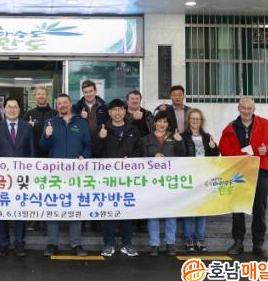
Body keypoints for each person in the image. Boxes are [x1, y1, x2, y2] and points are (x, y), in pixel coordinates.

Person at [220, 97, 268, 259]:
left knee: (259, 208)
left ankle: (258, 244)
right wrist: (241, 155)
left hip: (261, 169)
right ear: (238, 108)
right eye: (243, 108)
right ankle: (238, 242)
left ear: (254, 109)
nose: (246, 111)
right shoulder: (230, 127)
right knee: (238, 207)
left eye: (249, 108)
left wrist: (267, 149)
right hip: (239, 170)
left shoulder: (265, 124)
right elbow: (223, 149)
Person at [40, 93, 92, 257]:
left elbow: (88, 145)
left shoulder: (81, 123)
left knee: (75, 207)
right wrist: (47, 135)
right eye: (59, 103)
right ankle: (52, 243)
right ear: (57, 106)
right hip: (55, 174)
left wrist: (84, 155)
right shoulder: (50, 123)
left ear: (70, 104)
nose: (62, 105)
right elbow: (43, 147)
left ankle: (76, 243)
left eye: (65, 102)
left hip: (76, 174)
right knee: (53, 207)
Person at [0, 97, 36, 257]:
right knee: (3, 211)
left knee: (20, 211)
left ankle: (19, 244)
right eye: (9, 107)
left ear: (19, 110)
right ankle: (3, 244)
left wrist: (33, 173)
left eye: (15, 107)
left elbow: (32, 151)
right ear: (4, 109)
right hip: (3, 177)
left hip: (22, 177)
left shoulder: (27, 127)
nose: (12, 109)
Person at [94, 99, 141, 258]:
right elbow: (95, 152)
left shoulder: (133, 129)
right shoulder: (102, 128)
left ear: (125, 111)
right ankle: (108, 244)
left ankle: (127, 244)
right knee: (108, 211)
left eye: (120, 109)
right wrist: (101, 138)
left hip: (127, 177)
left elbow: (139, 150)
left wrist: (131, 158)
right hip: (107, 178)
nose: (117, 113)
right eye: (114, 110)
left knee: (126, 210)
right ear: (109, 112)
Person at [139, 110, 186, 256]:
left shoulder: (174, 137)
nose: (162, 124)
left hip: (169, 182)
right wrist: (152, 156)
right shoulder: (146, 139)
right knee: (153, 214)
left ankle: (170, 244)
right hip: (151, 182)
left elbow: (183, 156)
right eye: (159, 121)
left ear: (168, 124)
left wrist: (180, 142)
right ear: (154, 123)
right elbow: (140, 158)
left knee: (170, 214)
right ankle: (154, 244)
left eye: (165, 122)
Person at [180, 108, 219, 253]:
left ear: (201, 121)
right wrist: (178, 142)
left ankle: (200, 239)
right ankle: (188, 239)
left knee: (202, 209)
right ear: (188, 120)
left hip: (203, 177)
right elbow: (179, 155)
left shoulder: (207, 136)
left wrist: (214, 148)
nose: (195, 121)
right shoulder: (183, 136)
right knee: (189, 208)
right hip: (189, 177)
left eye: (198, 119)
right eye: (193, 118)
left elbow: (214, 156)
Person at [22, 86, 57, 232]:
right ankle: (34, 219)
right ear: (34, 96)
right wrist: (27, 127)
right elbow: (22, 135)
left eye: (43, 93)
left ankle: (47, 219)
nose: (41, 96)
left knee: (49, 189)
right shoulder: (29, 114)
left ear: (47, 95)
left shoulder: (55, 114)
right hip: (34, 158)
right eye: (38, 94)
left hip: (51, 158)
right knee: (34, 189)